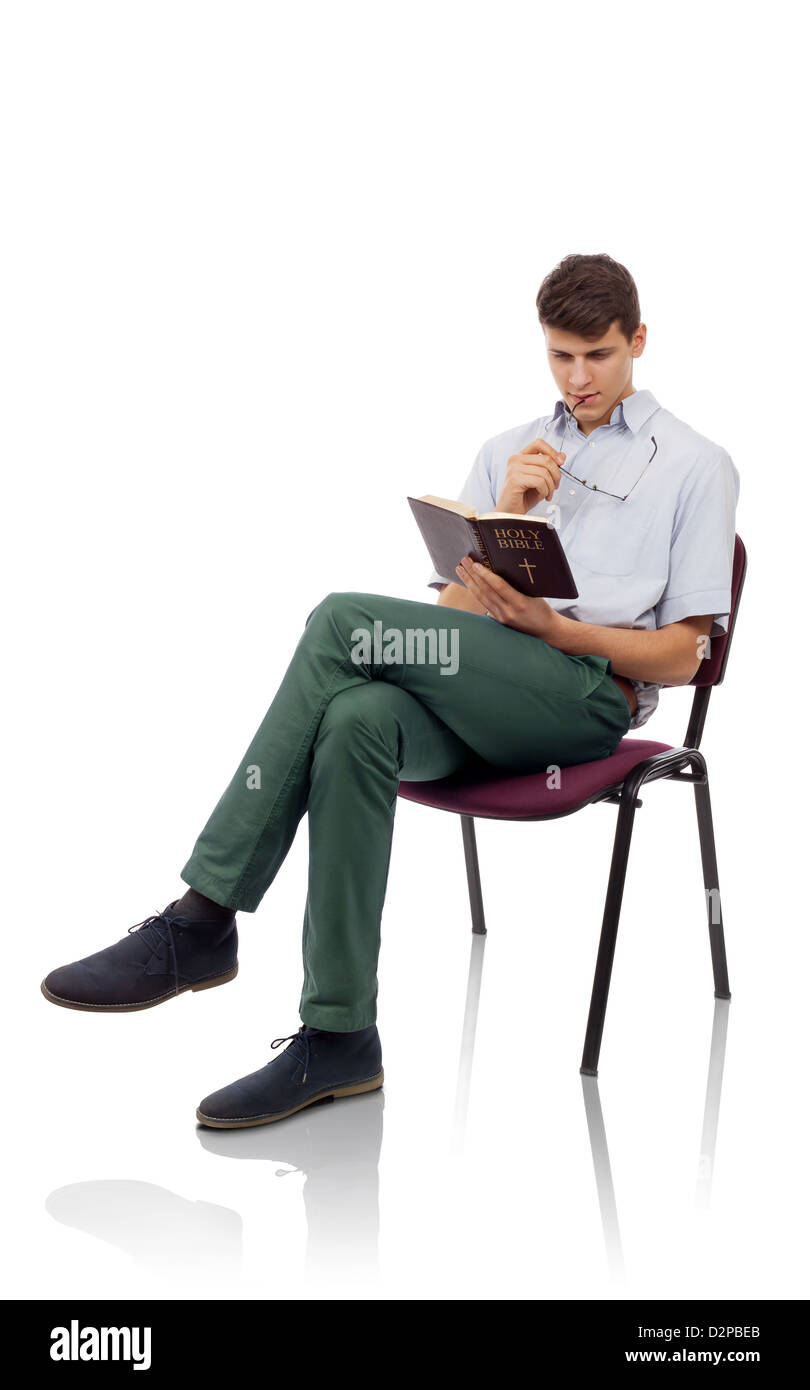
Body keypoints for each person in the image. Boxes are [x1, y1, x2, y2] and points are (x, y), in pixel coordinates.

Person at [40, 252, 740, 1129]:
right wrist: (509, 527)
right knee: (357, 717)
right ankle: (340, 1038)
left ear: (637, 341)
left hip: (584, 700)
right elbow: (450, 609)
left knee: (342, 620)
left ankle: (203, 916)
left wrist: (556, 631)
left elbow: (682, 657)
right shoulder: (508, 452)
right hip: (479, 687)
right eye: (561, 356)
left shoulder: (697, 466)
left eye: (597, 355)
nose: (578, 376)